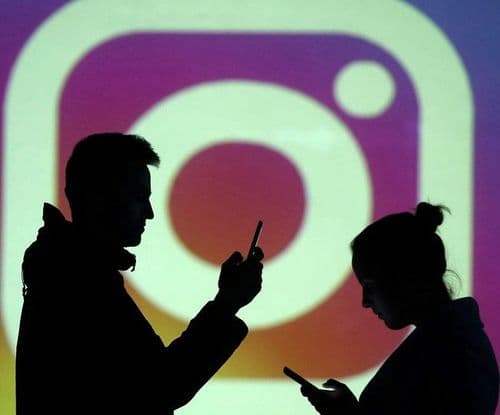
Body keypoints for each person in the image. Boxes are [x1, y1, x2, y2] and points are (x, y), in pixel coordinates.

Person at [16, 132, 264, 415]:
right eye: (138, 196)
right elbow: (163, 386)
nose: (149, 212)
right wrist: (227, 302)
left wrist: (226, 303)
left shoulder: (64, 270)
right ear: (96, 196)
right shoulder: (78, 281)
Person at [299, 202, 499, 414]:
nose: (365, 302)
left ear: (407, 275)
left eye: (370, 287)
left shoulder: (452, 354)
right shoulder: (451, 344)